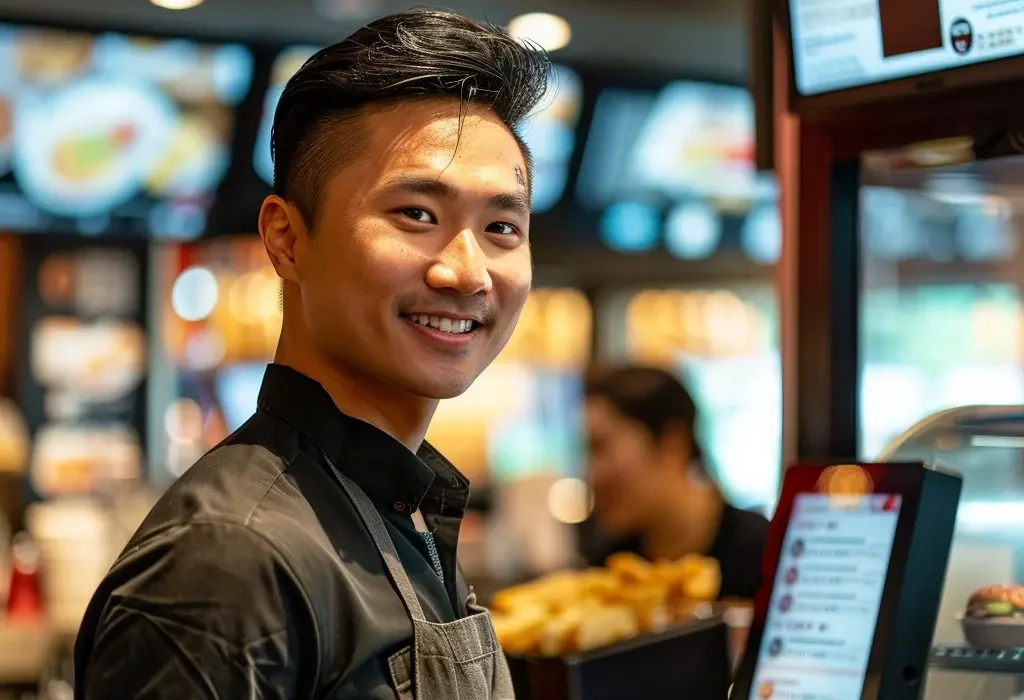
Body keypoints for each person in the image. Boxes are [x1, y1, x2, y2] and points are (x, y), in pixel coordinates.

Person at [73, 10, 550, 699]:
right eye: (417, 214)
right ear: (287, 239)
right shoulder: (227, 560)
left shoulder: (398, 505)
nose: (468, 272)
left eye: (502, 226)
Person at [581, 366, 769, 599]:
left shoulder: (765, 556)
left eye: (600, 446)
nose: (591, 473)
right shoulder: (607, 578)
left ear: (672, 443)